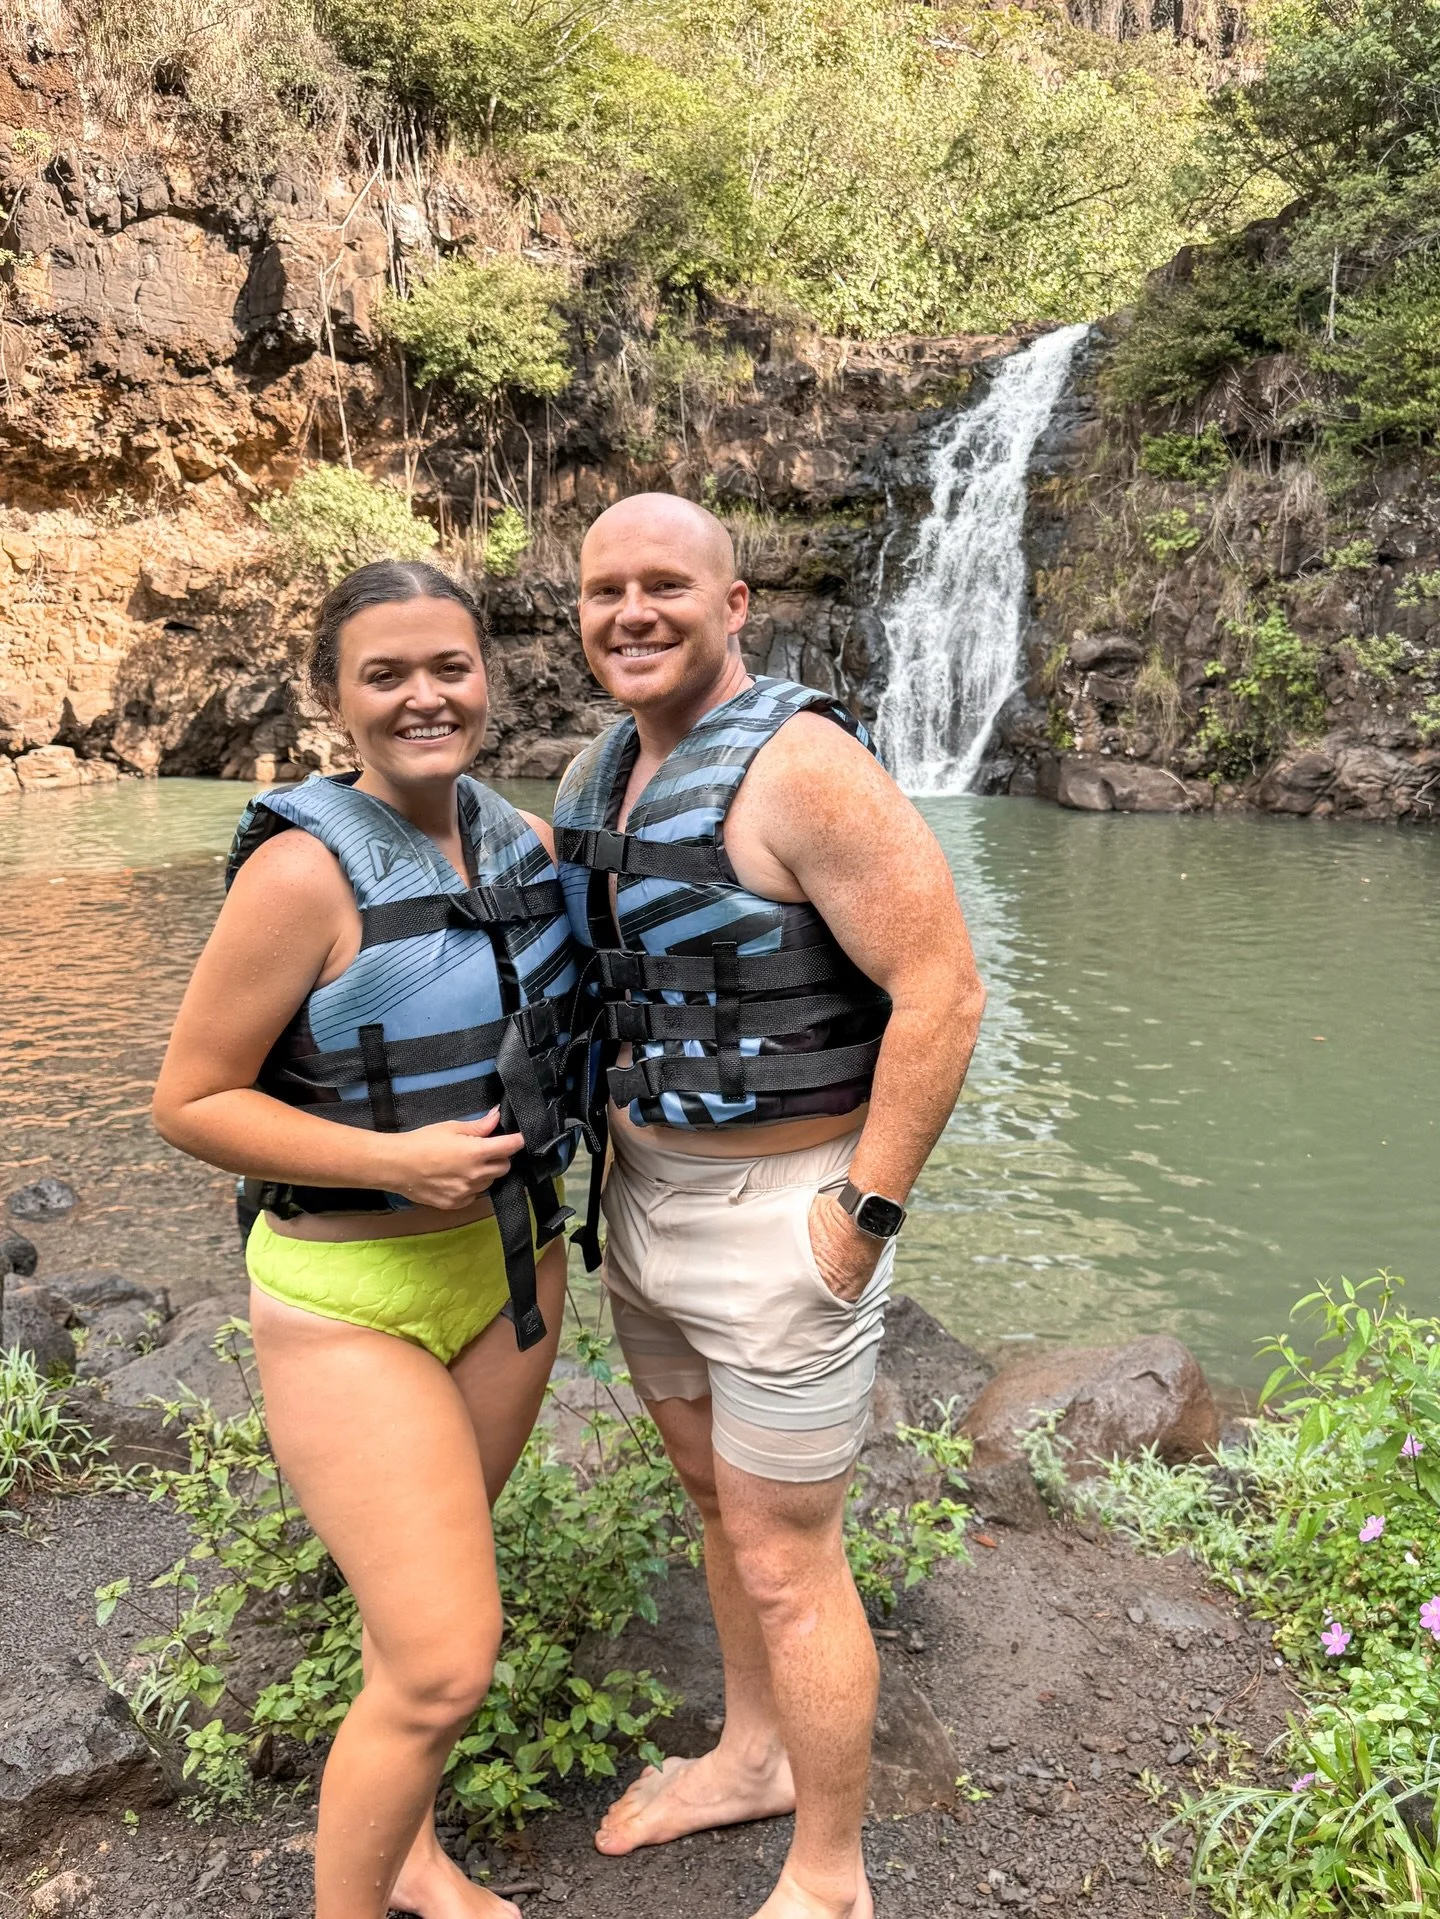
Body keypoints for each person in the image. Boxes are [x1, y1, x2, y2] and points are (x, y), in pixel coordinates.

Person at [553, 494, 986, 1919]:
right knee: (715, 1509)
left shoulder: (806, 771)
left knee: (792, 1557)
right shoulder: (596, 773)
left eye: (665, 583)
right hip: (645, 1203)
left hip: (784, 1211)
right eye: (605, 587)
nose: (633, 610)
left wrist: (861, 1213)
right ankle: (751, 1753)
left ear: (734, 605)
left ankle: (832, 1872)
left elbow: (944, 989)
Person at [153, 560, 580, 1919]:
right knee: (449, 1656)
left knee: (417, 1633)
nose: (423, 696)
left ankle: (409, 1854)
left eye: (447, 666)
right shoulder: (299, 873)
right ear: (333, 700)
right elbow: (190, 1101)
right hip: (350, 1300)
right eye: (385, 674)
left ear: (487, 675)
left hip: (513, 1279)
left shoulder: (523, 841)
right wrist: (391, 1160)